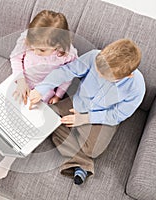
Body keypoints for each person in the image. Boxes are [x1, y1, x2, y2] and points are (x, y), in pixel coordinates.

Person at [0, 10, 78, 189]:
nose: (35, 51)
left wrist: (59, 94)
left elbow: (68, 75)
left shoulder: (67, 54)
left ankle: (4, 166)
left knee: (27, 126)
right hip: (21, 81)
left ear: (58, 45)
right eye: (32, 46)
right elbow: (15, 58)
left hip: (44, 91)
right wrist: (20, 81)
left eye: (41, 50)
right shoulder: (25, 39)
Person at [29, 39, 145, 185]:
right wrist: (41, 89)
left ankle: (77, 148)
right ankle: (82, 164)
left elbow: (117, 115)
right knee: (47, 117)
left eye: (106, 76)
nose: (101, 76)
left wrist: (84, 119)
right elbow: (66, 71)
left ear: (127, 76)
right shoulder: (94, 56)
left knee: (93, 150)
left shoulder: (137, 88)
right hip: (77, 103)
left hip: (103, 117)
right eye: (98, 71)